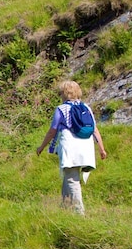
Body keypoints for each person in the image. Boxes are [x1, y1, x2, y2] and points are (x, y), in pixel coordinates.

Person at [35, 80, 108, 215]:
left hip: (70, 146)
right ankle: (65, 208)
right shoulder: (86, 107)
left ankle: (79, 212)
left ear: (64, 93)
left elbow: (53, 130)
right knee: (69, 176)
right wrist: (101, 149)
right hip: (86, 146)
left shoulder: (61, 109)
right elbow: (95, 129)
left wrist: (42, 147)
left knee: (71, 178)